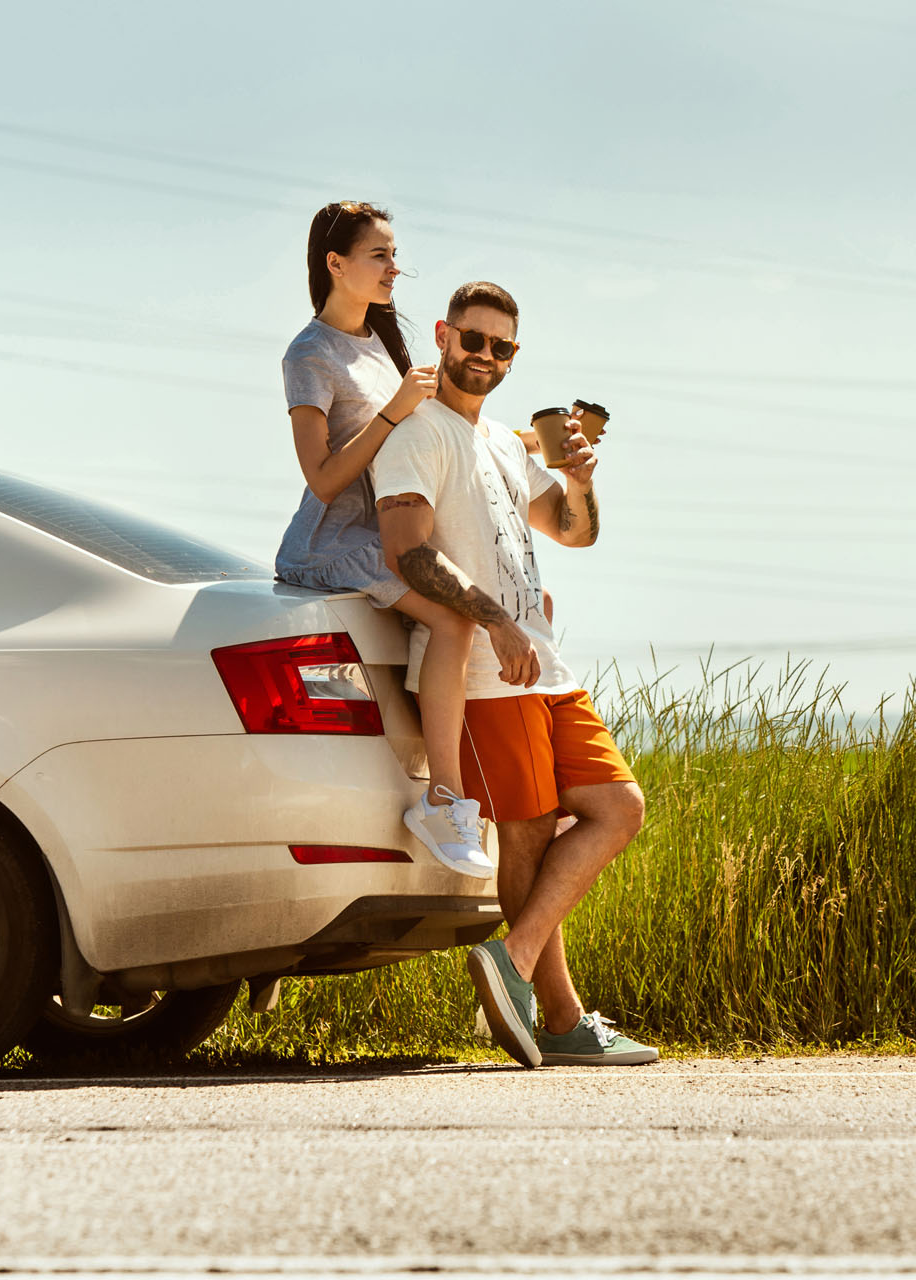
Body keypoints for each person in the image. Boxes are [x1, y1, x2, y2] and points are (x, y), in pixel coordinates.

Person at [372, 281, 656, 1068]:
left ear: (513, 356)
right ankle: (561, 1020)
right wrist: (493, 620)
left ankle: (516, 958)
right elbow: (409, 553)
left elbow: (571, 532)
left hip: (546, 666)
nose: (484, 356)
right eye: (472, 340)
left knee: (617, 807)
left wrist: (582, 481)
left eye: (500, 347)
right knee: (528, 830)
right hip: (487, 673)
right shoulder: (414, 435)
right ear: (442, 334)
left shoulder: (500, 440)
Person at [273, 202, 490, 879]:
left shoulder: (383, 340)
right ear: (336, 264)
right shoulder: (309, 354)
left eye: (395, 255)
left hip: (389, 534)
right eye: (380, 255)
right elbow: (324, 478)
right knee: (454, 619)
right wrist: (394, 411)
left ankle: (484, 789)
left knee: (481, 604)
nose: (395, 267)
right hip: (330, 546)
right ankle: (445, 800)